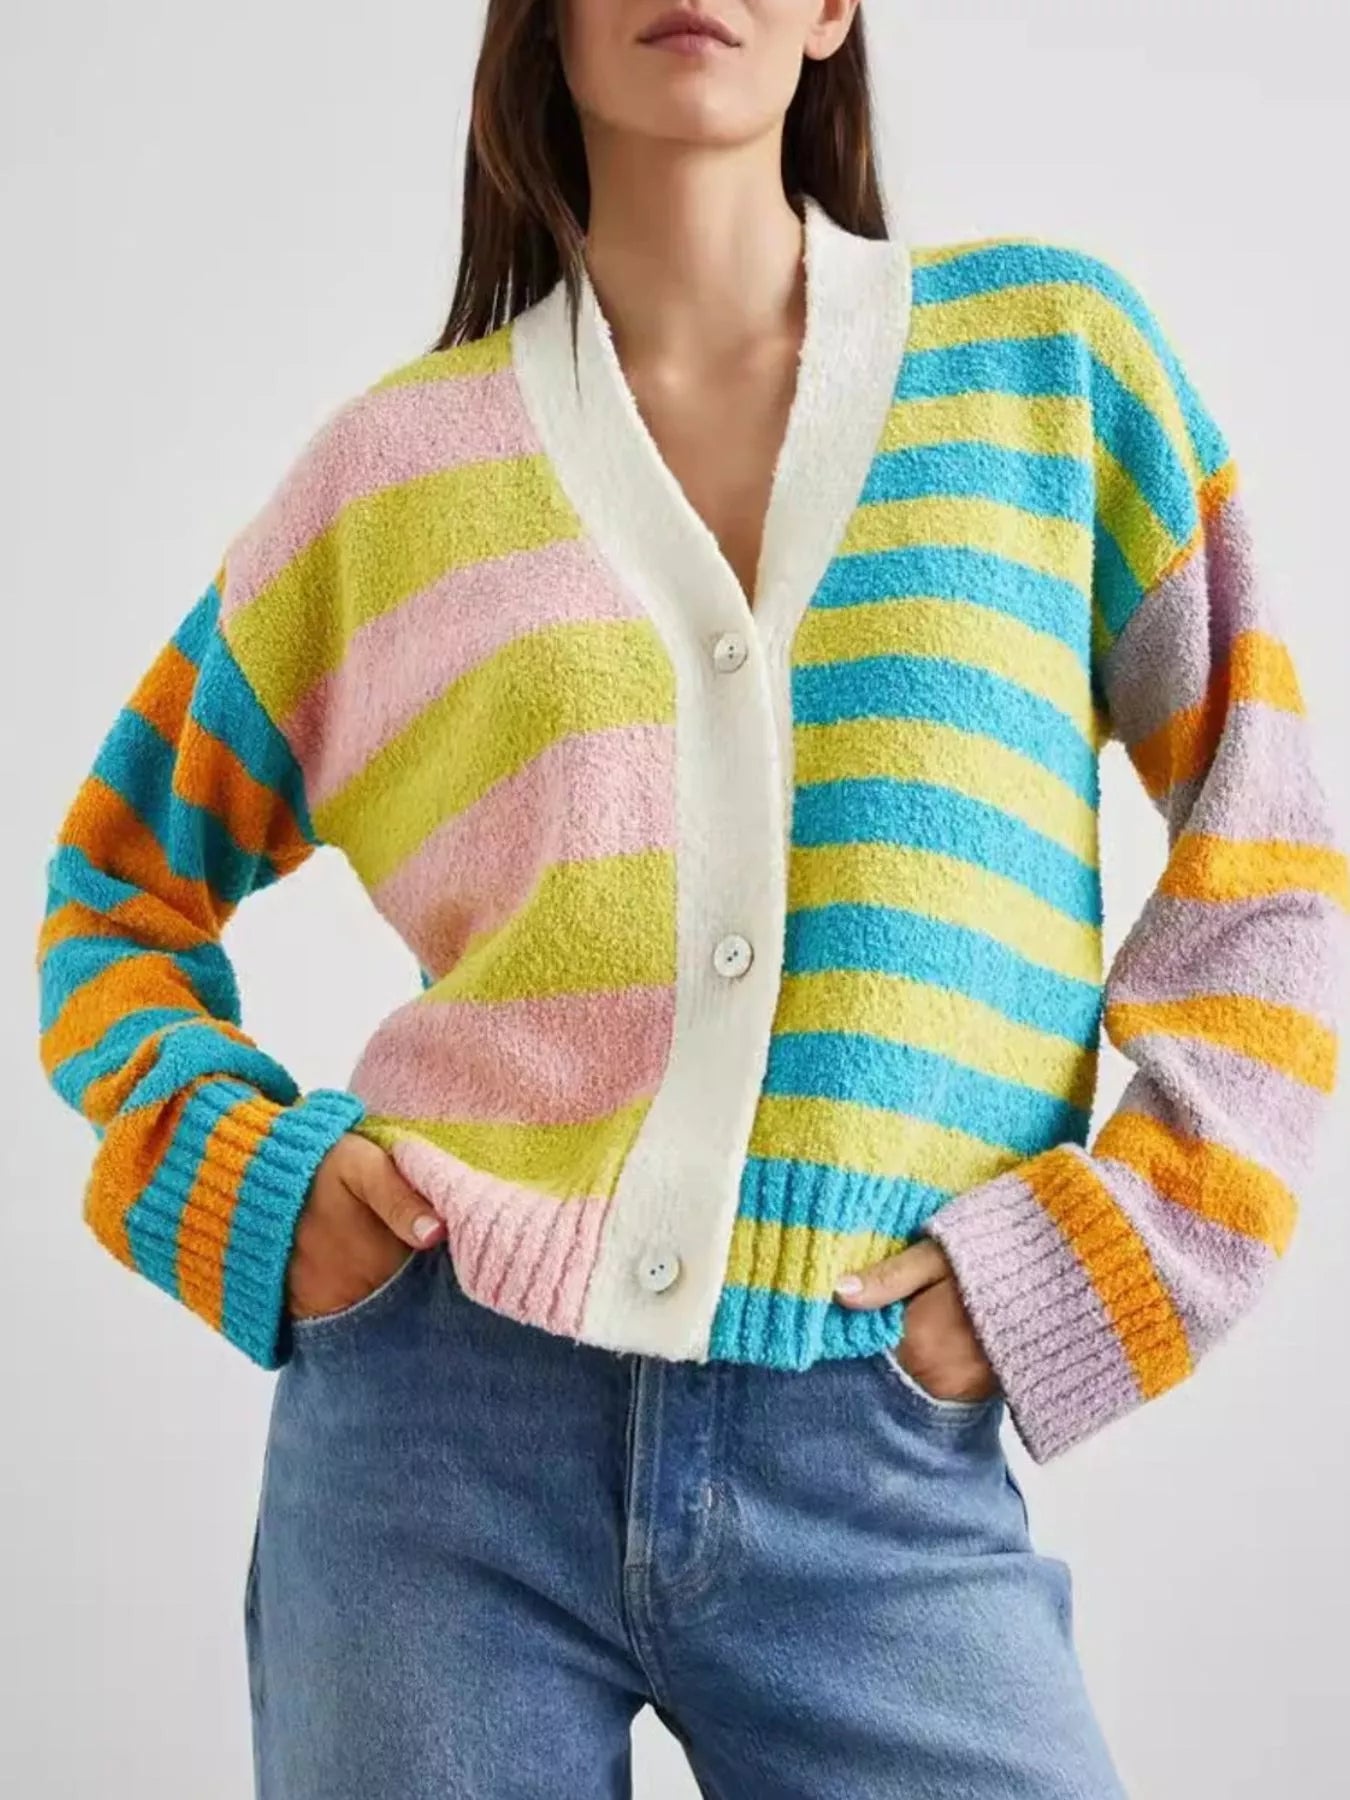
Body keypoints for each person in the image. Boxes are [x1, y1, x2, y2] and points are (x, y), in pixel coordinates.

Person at [36, 3, 1347, 1796]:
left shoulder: (1052, 368)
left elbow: (1267, 857)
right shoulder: (389, 481)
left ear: (830, 12)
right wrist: (244, 1178)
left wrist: (1112, 1252)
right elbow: (113, 888)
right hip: (433, 1430)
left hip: (877, 1443)